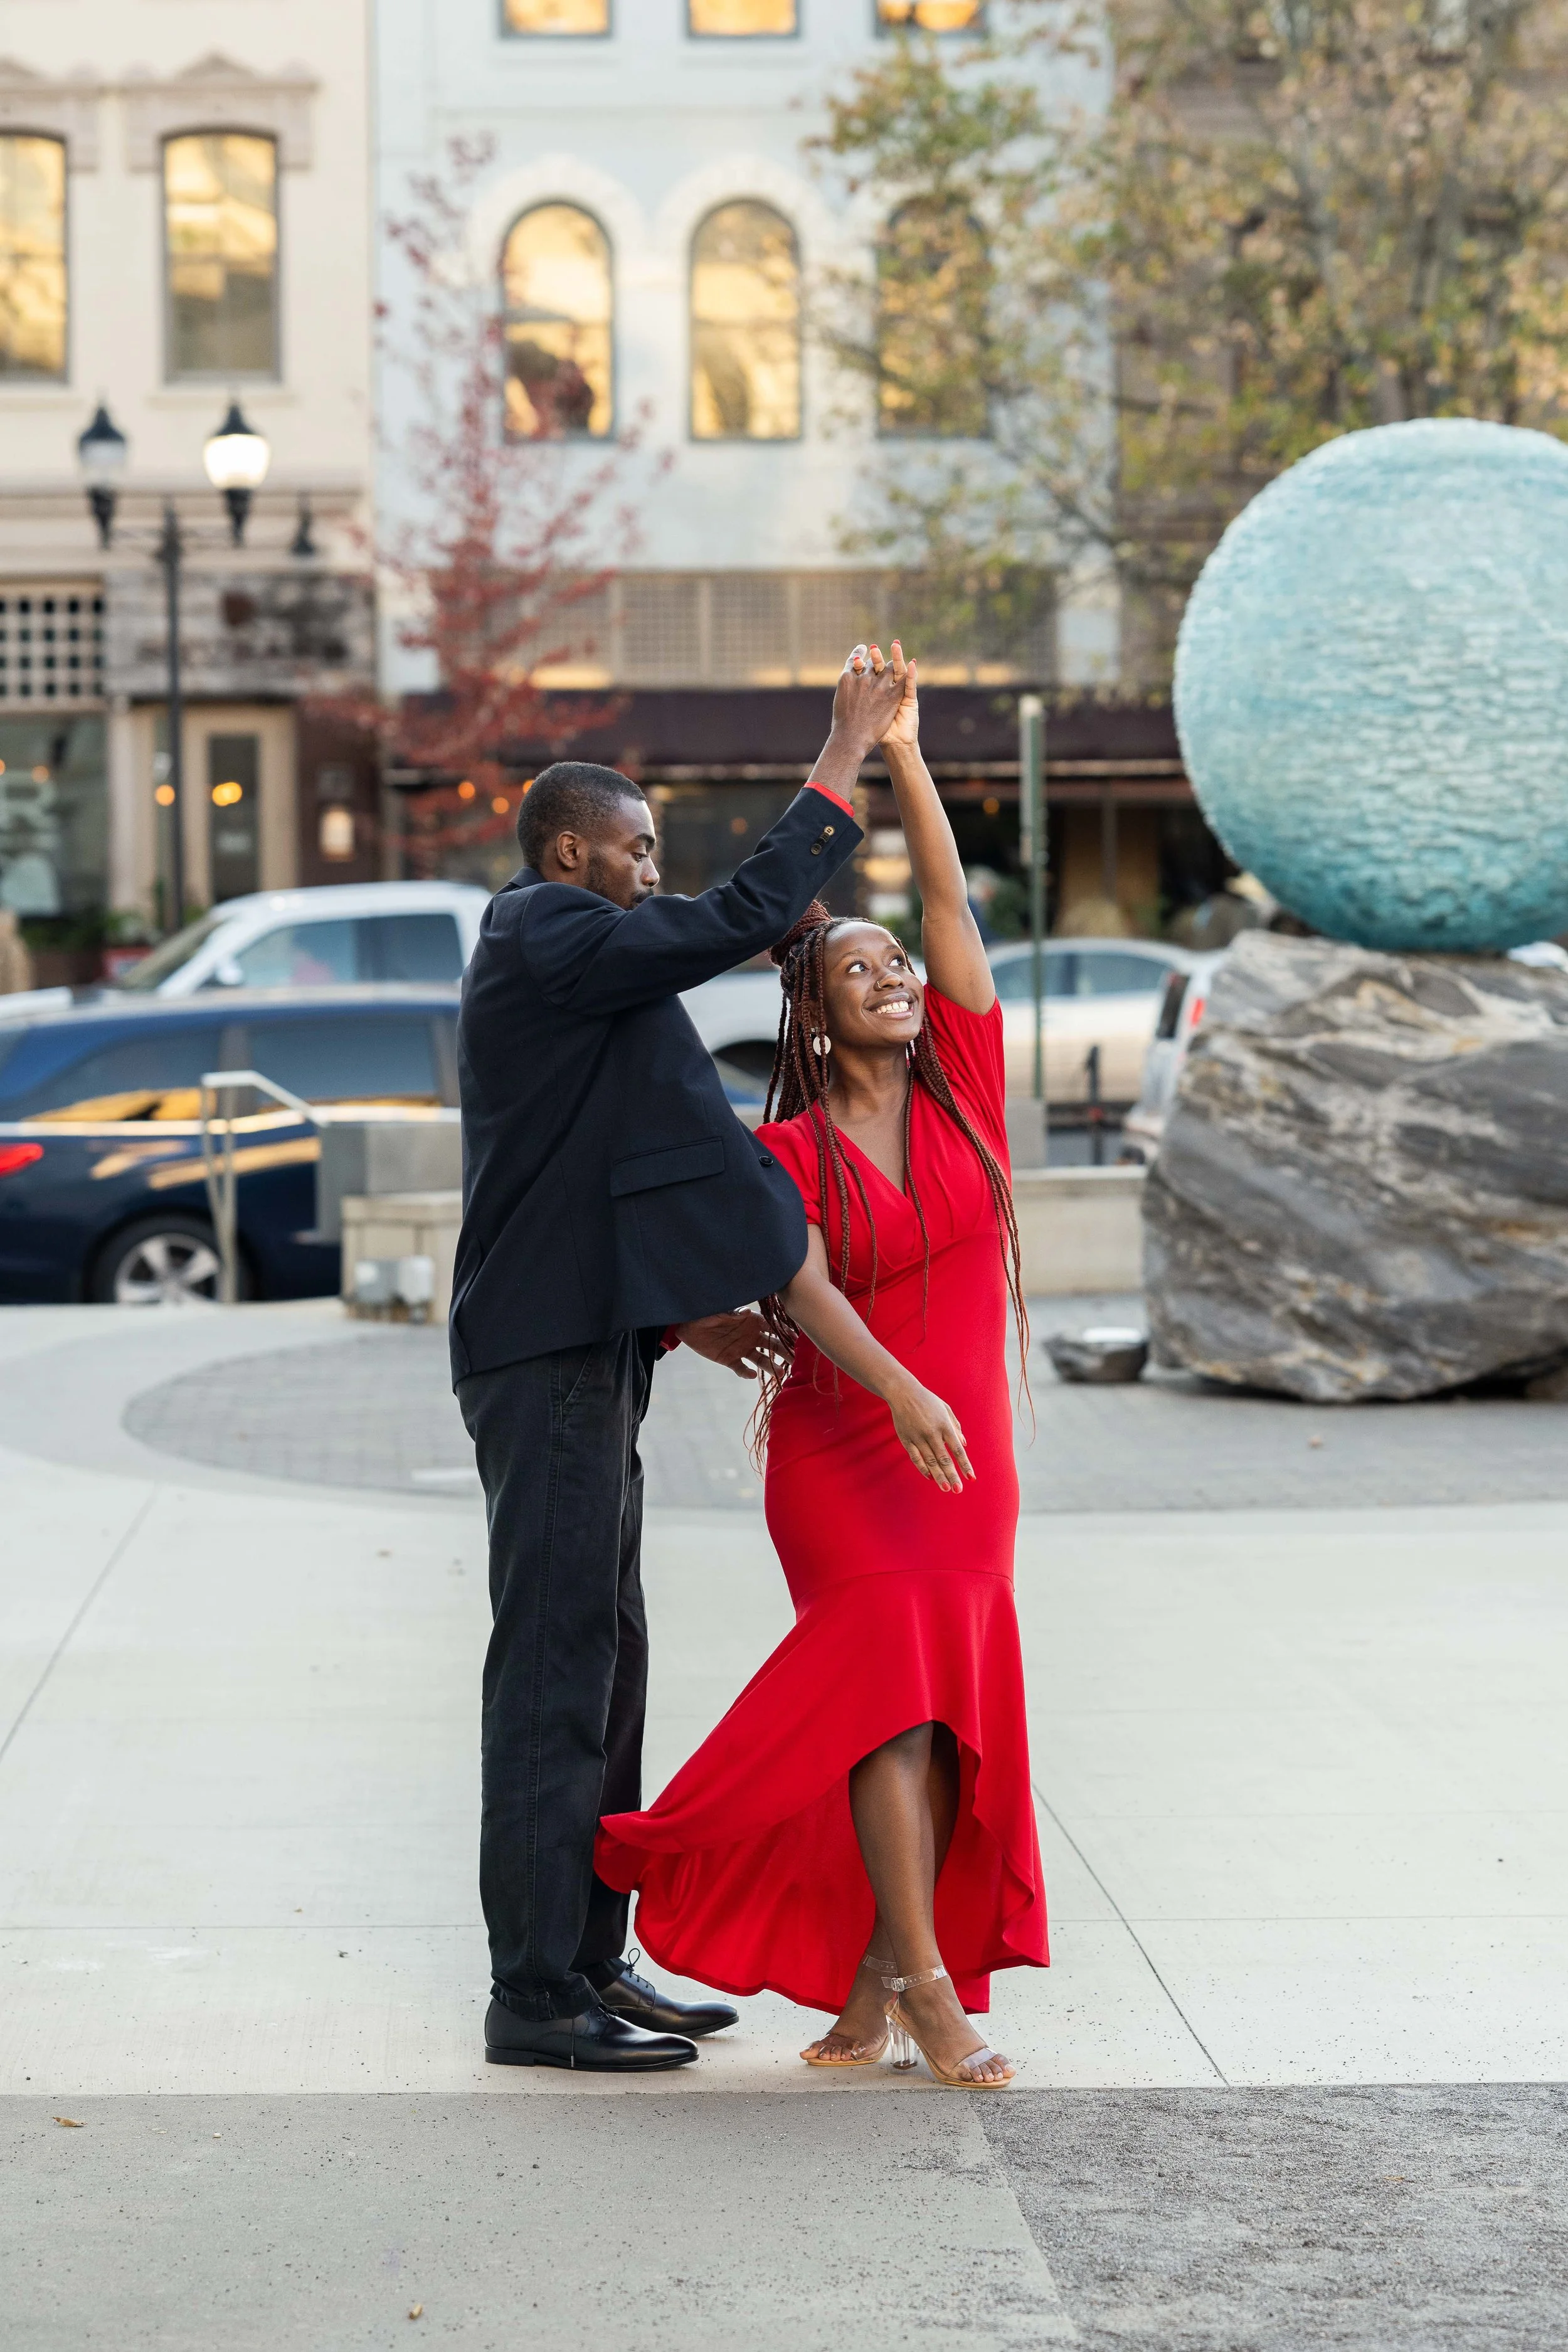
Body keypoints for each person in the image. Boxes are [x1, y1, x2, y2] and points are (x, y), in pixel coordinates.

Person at [599, 642, 1048, 2089]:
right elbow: (792, 1279)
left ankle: (866, 1987)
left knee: (925, 1709)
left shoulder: (966, 1085)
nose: (898, 976)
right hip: (848, 1460)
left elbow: (945, 897)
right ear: (817, 1010)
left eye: (899, 966)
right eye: (863, 971)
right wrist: (896, 1389)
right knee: (883, 1694)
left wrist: (905, 750)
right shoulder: (781, 1150)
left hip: (964, 1458)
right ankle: (922, 1983)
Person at [452, 653, 902, 2072]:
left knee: (608, 1657)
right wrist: (839, 760)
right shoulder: (543, 929)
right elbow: (738, 916)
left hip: (590, 1338)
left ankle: (590, 1957)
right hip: (542, 1355)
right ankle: (533, 1995)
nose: (652, 873)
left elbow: (608, 1160)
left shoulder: (579, 979)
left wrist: (678, 1311)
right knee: (554, 1666)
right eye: (637, 849)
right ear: (572, 848)